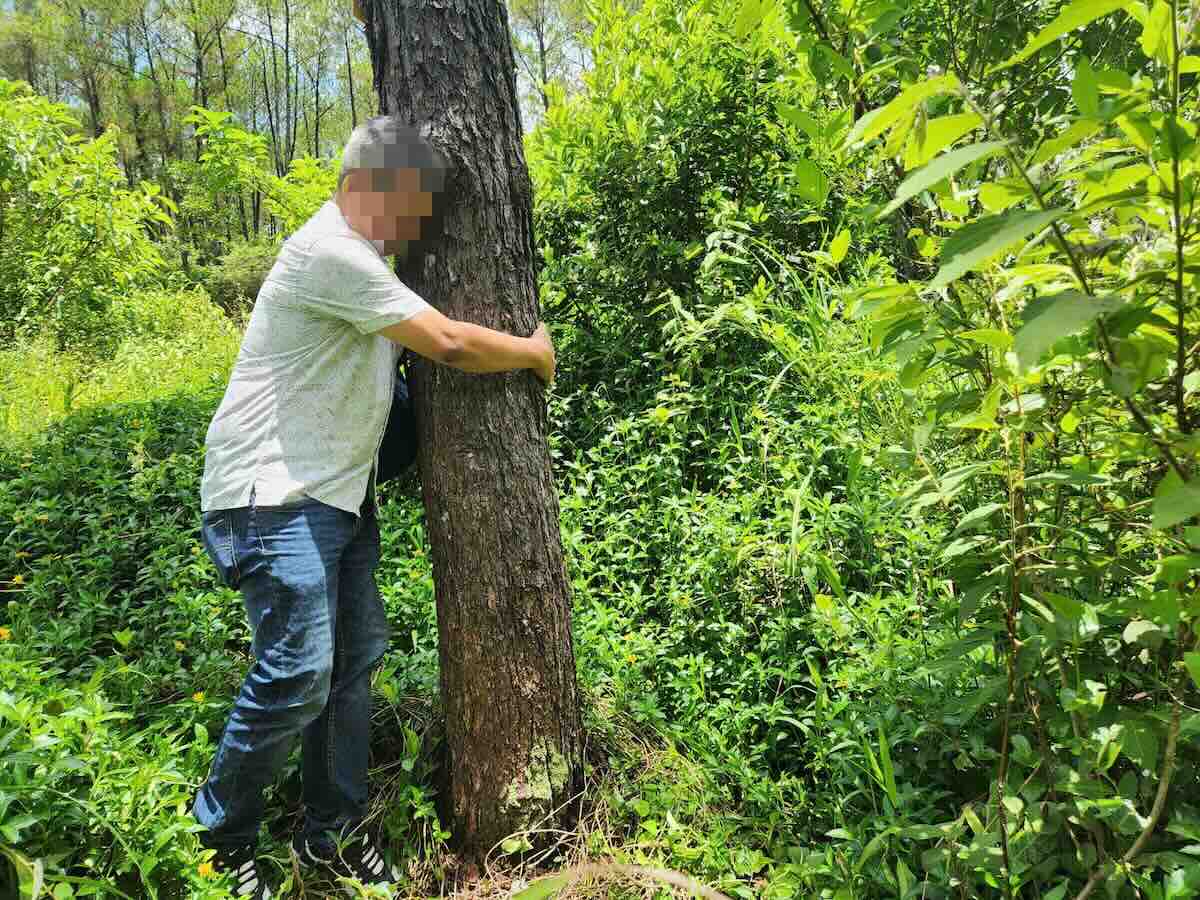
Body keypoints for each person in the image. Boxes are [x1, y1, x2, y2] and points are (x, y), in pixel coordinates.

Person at [192, 116, 556, 899]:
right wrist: (532, 351)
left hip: (336, 497)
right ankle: (219, 840)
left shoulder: (363, 264)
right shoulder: (332, 252)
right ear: (369, 187)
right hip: (272, 495)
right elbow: (451, 345)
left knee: (349, 666)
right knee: (300, 670)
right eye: (412, 203)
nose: (417, 223)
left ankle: (331, 833)